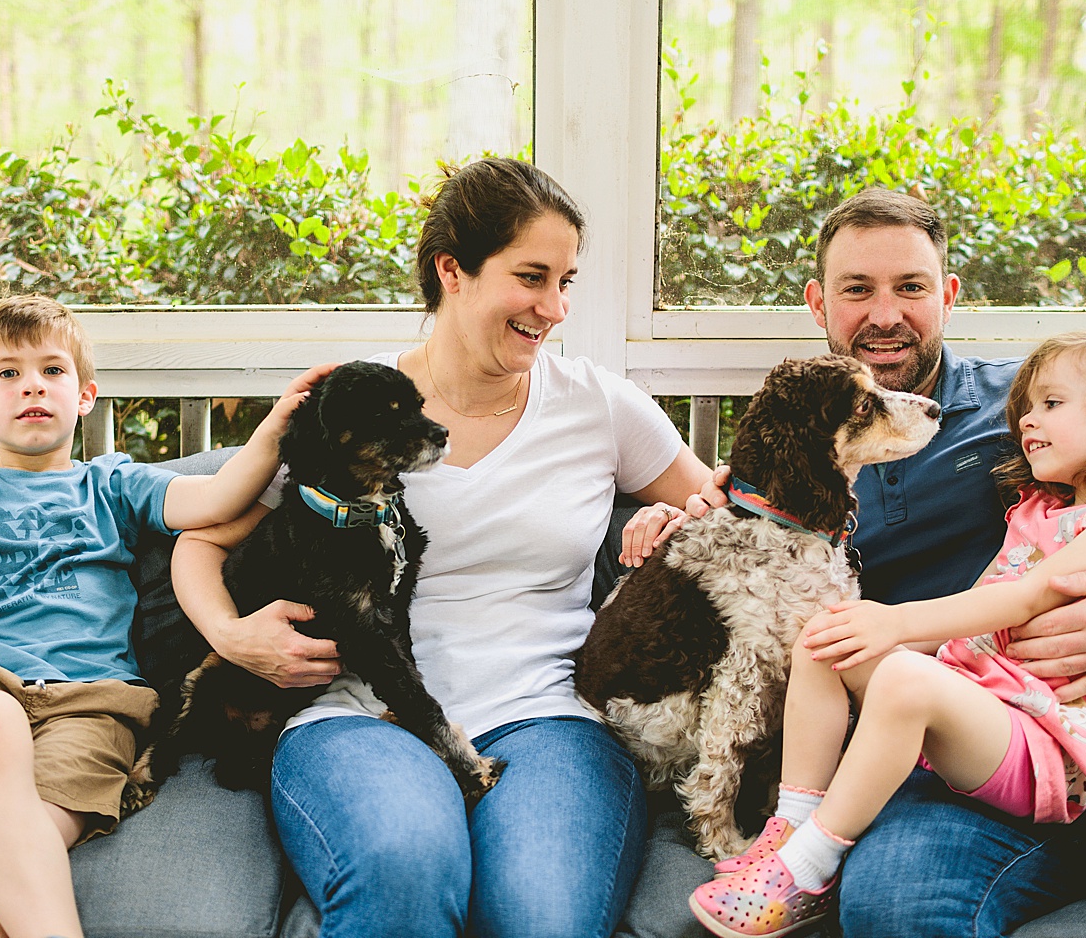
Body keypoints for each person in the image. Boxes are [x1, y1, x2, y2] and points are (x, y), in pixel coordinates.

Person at [663, 188, 1086, 937]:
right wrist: (677, 517)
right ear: (818, 303)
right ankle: (802, 845)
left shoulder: (1036, 407)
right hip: (969, 718)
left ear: (948, 296)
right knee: (893, 908)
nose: (885, 314)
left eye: (912, 288)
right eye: (858, 290)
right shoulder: (794, 453)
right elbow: (727, 545)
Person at [169, 157, 715, 938]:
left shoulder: (599, 405)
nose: (554, 307)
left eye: (566, 281)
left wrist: (670, 529)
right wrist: (231, 636)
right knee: (405, 876)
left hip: (547, 717)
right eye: (532, 277)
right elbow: (201, 537)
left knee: (541, 917)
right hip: (357, 714)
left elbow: (719, 507)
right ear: (451, 270)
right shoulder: (352, 401)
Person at [0, 295, 327, 938]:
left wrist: (276, 428)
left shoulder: (114, 485)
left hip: (94, 707)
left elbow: (217, 498)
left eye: (52, 371)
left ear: (85, 396)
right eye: (8, 373)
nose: (32, 386)